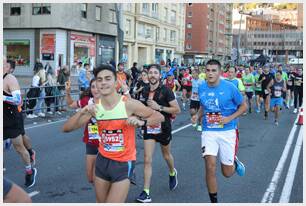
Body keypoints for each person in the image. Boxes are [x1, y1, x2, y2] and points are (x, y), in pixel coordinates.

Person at [62, 64, 164, 203]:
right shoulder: (95, 108)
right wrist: (82, 111)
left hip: (123, 163)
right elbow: (66, 128)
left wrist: (141, 122)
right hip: (102, 162)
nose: (103, 82)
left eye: (108, 78)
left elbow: (159, 117)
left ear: (116, 82)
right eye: (99, 79)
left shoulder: (128, 104)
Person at [193, 59, 246, 203]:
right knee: (210, 166)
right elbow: (204, 106)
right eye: (208, 70)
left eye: (213, 70)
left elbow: (243, 106)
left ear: (220, 72)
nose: (210, 73)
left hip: (227, 131)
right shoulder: (202, 87)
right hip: (209, 130)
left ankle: (234, 164)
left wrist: (229, 118)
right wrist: (197, 116)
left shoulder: (230, 87)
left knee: (227, 173)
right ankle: (214, 202)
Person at [136, 64, 181, 203]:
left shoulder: (166, 91)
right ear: (147, 75)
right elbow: (140, 109)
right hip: (149, 127)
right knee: (147, 159)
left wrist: (159, 107)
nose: (153, 75)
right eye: (150, 73)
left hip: (163, 128)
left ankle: (172, 171)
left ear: (160, 76)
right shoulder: (144, 91)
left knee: (166, 155)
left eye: (156, 73)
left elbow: (177, 110)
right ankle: (146, 192)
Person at [3, 57, 37, 188]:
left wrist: (3, 97)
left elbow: (17, 100)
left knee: (19, 146)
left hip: (11, 118)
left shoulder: (10, 79)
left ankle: (29, 171)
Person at [65, 78, 100, 183]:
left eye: (98, 86)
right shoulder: (86, 101)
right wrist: (67, 92)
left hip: (107, 143)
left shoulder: (111, 102)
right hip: (92, 140)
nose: (95, 89)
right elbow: (71, 104)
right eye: (93, 87)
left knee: (101, 177)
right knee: (90, 178)